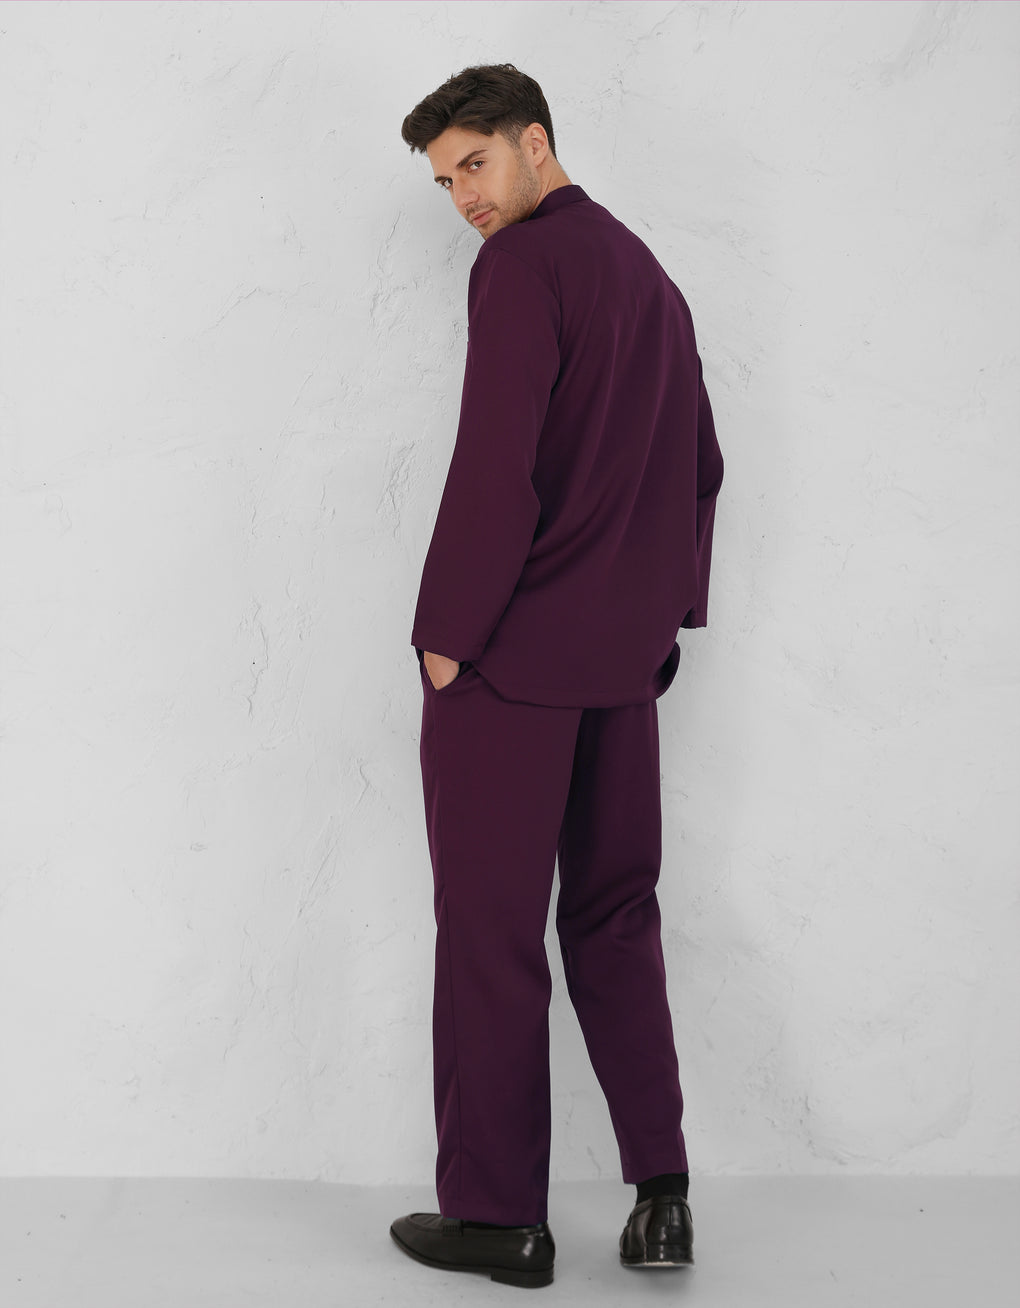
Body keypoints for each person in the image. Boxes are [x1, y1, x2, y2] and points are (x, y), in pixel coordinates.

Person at [391, 63, 724, 1290]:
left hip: (511, 666)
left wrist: (445, 635)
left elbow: (498, 461)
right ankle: (663, 1199)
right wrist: (665, 617)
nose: (464, 199)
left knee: (490, 936)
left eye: (475, 164)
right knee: (616, 918)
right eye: (445, 182)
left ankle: (498, 1219)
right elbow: (701, 464)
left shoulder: (523, 266)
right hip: (619, 673)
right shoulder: (648, 275)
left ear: (536, 141)